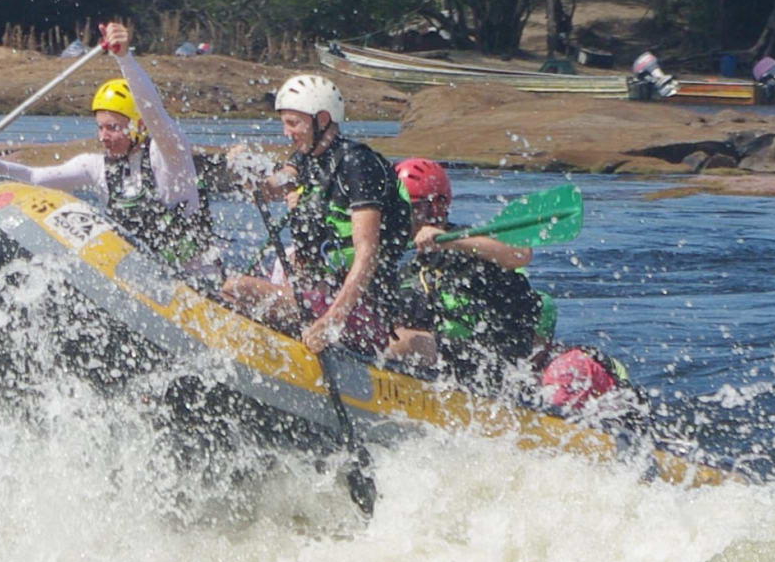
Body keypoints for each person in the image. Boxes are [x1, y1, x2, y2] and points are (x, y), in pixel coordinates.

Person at [0, 20, 210, 270]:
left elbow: (155, 113)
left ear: (140, 127)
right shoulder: (95, 167)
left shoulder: (168, 155)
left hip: (197, 284)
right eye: (100, 127)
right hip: (147, 287)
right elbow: (33, 177)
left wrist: (124, 58)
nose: (103, 137)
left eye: (113, 128)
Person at [219, 73, 400, 353]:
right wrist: (245, 172)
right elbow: (273, 186)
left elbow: (367, 253)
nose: (286, 133)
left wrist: (332, 321)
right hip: (318, 297)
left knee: (236, 288)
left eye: (293, 123)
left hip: (360, 311)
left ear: (323, 120)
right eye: (284, 124)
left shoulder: (358, 165)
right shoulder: (307, 159)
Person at [383, 159, 555, 381]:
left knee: (402, 342)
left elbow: (521, 253)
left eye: (412, 208)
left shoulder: (470, 242)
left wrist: (450, 242)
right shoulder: (405, 265)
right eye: (396, 208)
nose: (402, 216)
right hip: (442, 361)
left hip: (487, 359)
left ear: (437, 206)